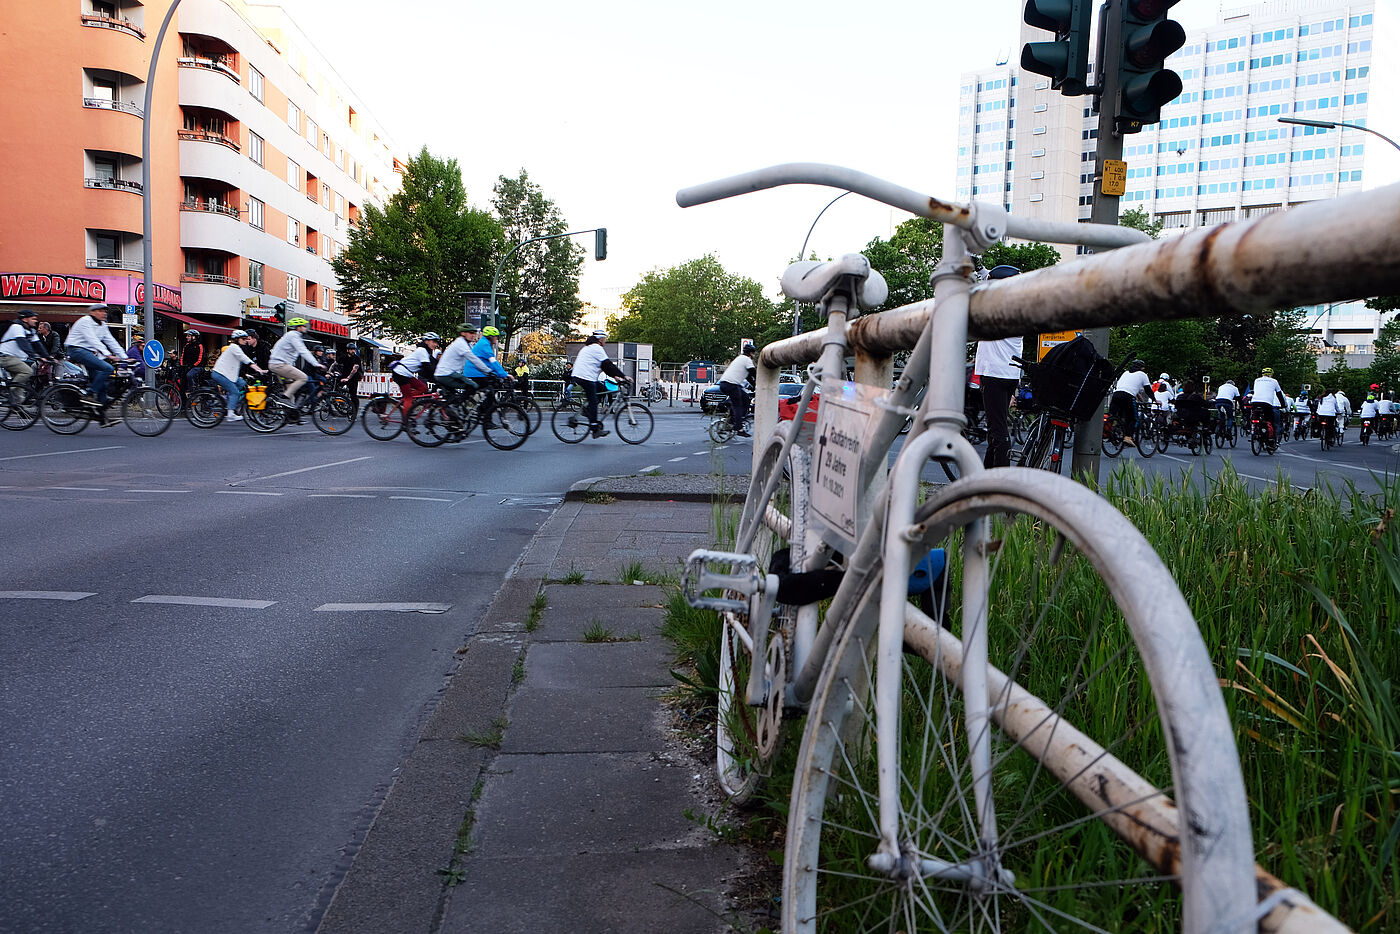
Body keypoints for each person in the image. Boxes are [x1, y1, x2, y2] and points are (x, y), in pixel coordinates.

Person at [973, 264, 1024, 466]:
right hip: (1009, 375)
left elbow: (985, 292)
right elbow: (993, 281)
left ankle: (1001, 480)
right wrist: (981, 269)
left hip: (993, 374)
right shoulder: (1017, 309)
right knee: (996, 429)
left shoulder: (996, 312)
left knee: (998, 431)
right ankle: (987, 475)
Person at [64, 302, 127, 425]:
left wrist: (125, 357)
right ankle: (89, 394)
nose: (104, 313)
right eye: (100, 311)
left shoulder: (102, 325)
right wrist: (108, 354)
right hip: (76, 349)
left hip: (90, 352)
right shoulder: (85, 321)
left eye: (105, 311)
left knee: (101, 381)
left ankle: (102, 418)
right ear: (92, 312)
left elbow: (111, 341)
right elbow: (92, 339)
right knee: (107, 368)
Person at [570, 329, 630, 439]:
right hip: (585, 377)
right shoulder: (596, 348)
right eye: (605, 339)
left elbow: (604, 367)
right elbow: (608, 364)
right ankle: (594, 429)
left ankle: (587, 410)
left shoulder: (589, 347)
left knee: (602, 389)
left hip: (582, 375)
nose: (605, 341)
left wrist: (616, 376)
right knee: (593, 401)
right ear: (600, 339)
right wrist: (624, 376)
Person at [268, 317, 325, 413]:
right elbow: (303, 351)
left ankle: (291, 414)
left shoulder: (291, 336)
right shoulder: (293, 336)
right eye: (303, 326)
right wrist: (316, 364)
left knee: (291, 389)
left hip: (279, 364)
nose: (305, 328)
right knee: (303, 378)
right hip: (279, 365)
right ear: (298, 327)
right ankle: (284, 398)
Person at [210, 329, 268, 420]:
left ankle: (230, 401)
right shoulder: (234, 348)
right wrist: (260, 370)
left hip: (228, 375)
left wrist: (246, 375)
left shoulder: (238, 348)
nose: (245, 340)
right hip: (220, 374)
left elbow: (238, 365)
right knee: (235, 392)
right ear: (237, 339)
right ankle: (230, 414)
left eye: (246, 339)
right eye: (243, 339)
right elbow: (245, 359)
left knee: (242, 384)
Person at [388, 332, 441, 413]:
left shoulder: (426, 351)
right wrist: (436, 379)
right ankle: (405, 422)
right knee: (408, 398)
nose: (435, 344)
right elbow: (427, 367)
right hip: (401, 373)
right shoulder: (422, 351)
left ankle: (404, 400)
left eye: (436, 342)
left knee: (423, 388)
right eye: (433, 342)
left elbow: (428, 368)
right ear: (426, 341)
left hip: (406, 373)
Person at [434, 322, 490, 399]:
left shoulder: (467, 344)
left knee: (454, 397)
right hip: (446, 374)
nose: (473, 335)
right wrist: (488, 371)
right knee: (472, 385)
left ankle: (454, 407)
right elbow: (473, 359)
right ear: (463, 333)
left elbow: (475, 359)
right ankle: (461, 407)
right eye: (471, 333)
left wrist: (485, 370)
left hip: (449, 373)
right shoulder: (460, 344)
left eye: (475, 333)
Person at [1, 310, 51, 389]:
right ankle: (10, 389)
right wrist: (35, 355)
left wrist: (48, 357)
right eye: (33, 319)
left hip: (16, 358)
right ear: (25, 319)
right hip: (5, 357)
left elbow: (37, 345)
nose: (36, 321)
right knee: (27, 371)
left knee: (21, 381)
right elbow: (22, 343)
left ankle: (17, 401)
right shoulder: (16, 327)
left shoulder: (31, 331)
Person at [1109, 359, 1153, 446]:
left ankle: (1113, 431)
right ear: (1142, 368)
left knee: (1115, 415)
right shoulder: (1142, 374)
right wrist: (1154, 399)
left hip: (1116, 394)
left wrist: (1140, 398)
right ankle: (1128, 437)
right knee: (1133, 418)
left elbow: (1129, 387)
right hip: (1127, 396)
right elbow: (1148, 390)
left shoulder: (1125, 373)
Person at [718, 342, 757, 437]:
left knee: (745, 398)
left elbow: (748, 377)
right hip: (731, 385)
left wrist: (754, 385)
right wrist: (760, 382)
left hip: (725, 384)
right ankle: (739, 428)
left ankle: (732, 420)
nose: (754, 355)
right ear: (750, 353)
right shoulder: (746, 359)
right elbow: (753, 373)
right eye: (753, 353)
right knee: (738, 405)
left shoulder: (739, 359)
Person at [1250, 367, 1286, 441]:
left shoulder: (1256, 380)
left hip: (1254, 402)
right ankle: (1270, 438)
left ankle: (1253, 430)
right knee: (1270, 420)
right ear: (1271, 374)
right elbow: (1279, 394)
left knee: (1255, 417)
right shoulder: (1274, 381)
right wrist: (1283, 405)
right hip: (1267, 403)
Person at [179, 329, 205, 396]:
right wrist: (181, 365)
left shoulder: (199, 346)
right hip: (187, 366)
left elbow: (200, 359)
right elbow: (182, 356)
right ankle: (183, 402)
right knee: (182, 381)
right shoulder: (186, 346)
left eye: (188, 336)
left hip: (197, 367)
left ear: (194, 337)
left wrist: (192, 366)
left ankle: (192, 391)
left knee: (189, 375)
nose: (186, 337)